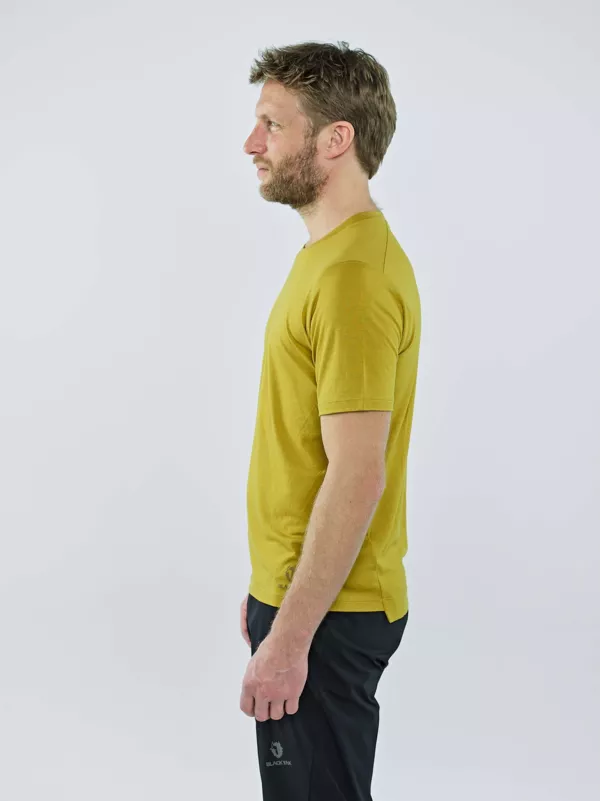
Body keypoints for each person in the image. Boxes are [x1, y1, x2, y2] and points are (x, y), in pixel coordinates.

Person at [239, 40, 421, 801]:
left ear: (335, 138)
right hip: (309, 599)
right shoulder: (328, 256)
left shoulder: (351, 277)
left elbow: (356, 473)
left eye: (273, 125)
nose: (252, 144)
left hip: (329, 615)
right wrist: (269, 592)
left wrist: (290, 633)